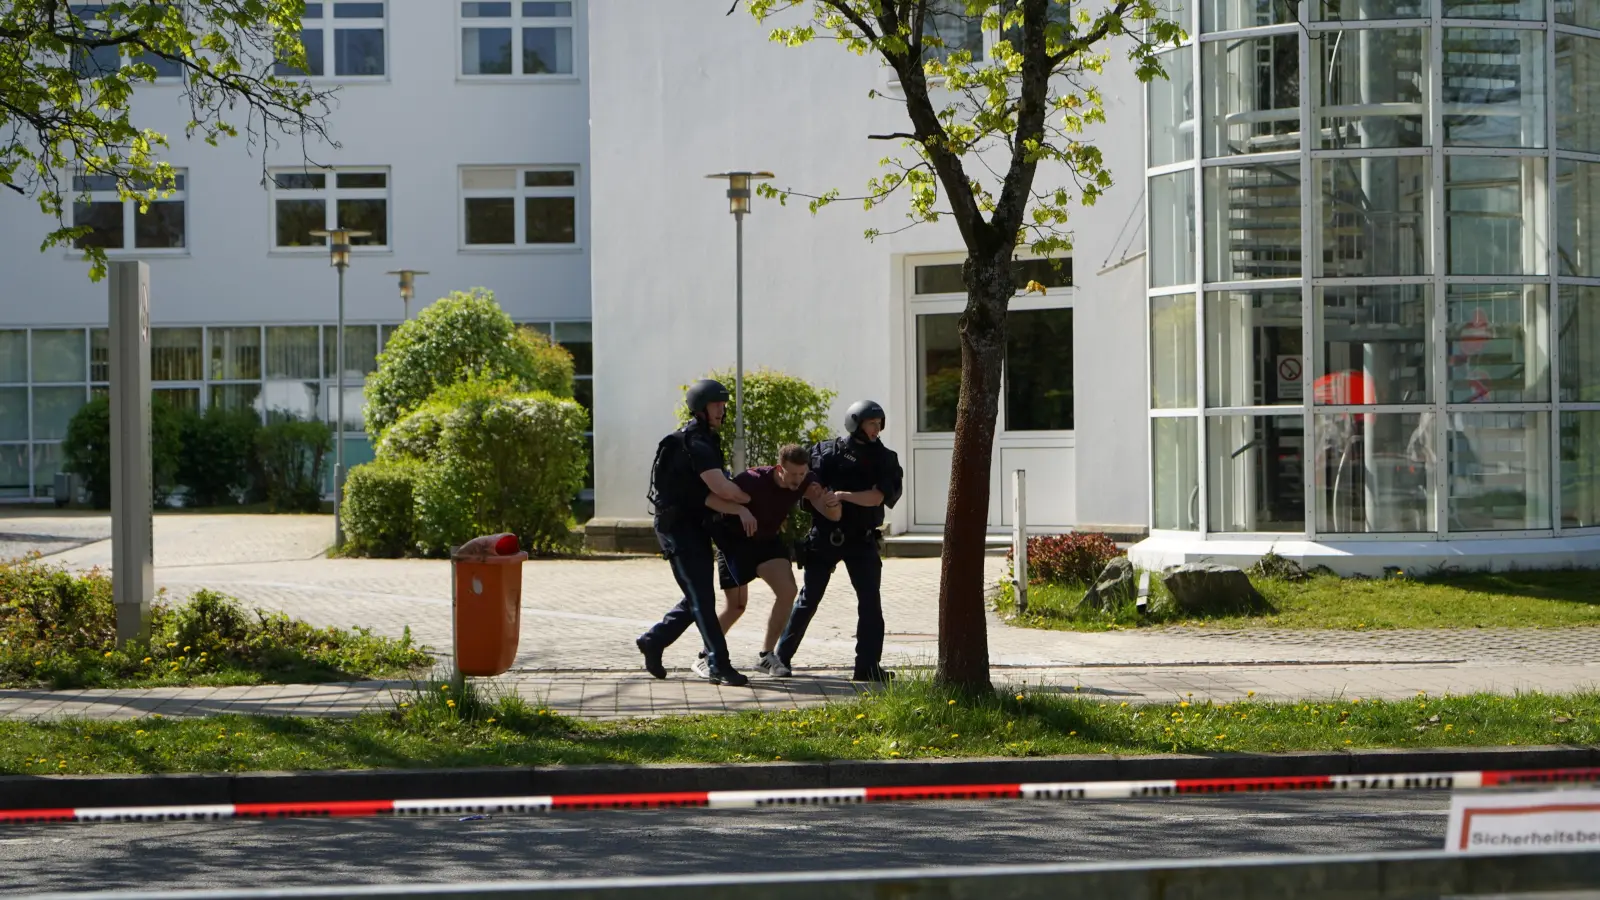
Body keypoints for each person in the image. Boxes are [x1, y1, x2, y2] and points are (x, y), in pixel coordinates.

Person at [774, 400, 903, 683]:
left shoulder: (885, 459)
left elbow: (878, 497)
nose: (876, 428)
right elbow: (810, 488)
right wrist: (826, 500)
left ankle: (868, 666)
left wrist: (843, 496)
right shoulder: (825, 451)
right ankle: (780, 659)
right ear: (855, 423)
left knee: (870, 602)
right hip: (825, 537)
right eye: (871, 423)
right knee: (809, 599)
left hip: (863, 538)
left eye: (879, 423)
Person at [634, 379, 753, 686]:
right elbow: (721, 488)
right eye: (716, 405)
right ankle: (718, 664)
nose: (722, 411)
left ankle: (654, 640)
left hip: (695, 525)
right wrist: (752, 499)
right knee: (701, 597)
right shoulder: (694, 443)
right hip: (676, 529)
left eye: (724, 406)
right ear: (700, 408)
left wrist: (738, 506)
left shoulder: (706, 440)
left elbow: (706, 497)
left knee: (698, 595)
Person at [690, 444, 842, 680]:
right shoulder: (752, 480)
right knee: (736, 607)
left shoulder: (806, 480)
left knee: (788, 590)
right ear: (780, 468)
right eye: (794, 474)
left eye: (802, 474)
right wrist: (740, 510)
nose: (798, 480)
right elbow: (710, 499)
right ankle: (705, 654)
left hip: (768, 542)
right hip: (734, 544)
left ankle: (766, 656)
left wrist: (832, 504)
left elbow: (832, 514)